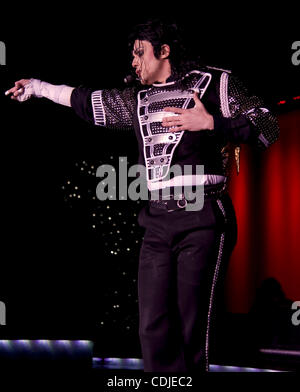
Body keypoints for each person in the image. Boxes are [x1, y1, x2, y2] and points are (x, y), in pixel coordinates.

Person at [5, 18, 279, 372]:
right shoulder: (136, 97)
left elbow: (268, 126)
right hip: (157, 222)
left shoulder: (216, 83)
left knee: (191, 326)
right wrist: (39, 87)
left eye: (140, 53)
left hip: (203, 216)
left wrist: (212, 123)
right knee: (153, 326)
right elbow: (88, 102)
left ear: (164, 51)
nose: (133, 63)